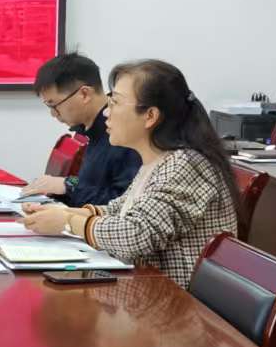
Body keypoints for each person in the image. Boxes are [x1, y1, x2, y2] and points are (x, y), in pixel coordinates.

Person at [23, 59, 239, 289]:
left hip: (174, 300)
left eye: (115, 102)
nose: (106, 112)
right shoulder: (156, 161)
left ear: (150, 116)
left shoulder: (185, 164)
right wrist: (63, 212)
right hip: (145, 289)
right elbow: (119, 209)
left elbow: (136, 234)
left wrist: (68, 222)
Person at [23, 52, 141, 206]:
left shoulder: (124, 136)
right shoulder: (88, 131)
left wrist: (67, 186)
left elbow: (125, 202)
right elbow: (88, 182)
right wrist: (62, 185)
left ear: (84, 94)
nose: (53, 114)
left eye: (54, 105)